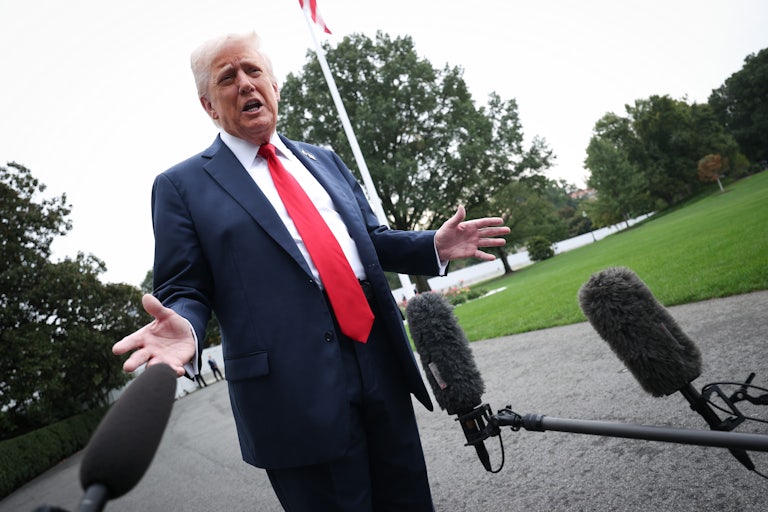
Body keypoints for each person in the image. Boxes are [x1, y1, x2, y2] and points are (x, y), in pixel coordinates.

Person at [112, 31, 510, 511]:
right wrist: (187, 331)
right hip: (289, 394)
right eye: (227, 77)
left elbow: (369, 240)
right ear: (209, 105)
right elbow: (184, 286)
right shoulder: (180, 186)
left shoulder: (324, 159)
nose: (245, 84)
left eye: (253, 71)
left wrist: (433, 244)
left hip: (378, 362)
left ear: (275, 87)